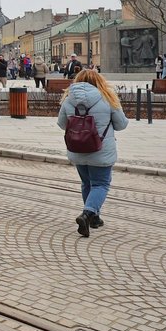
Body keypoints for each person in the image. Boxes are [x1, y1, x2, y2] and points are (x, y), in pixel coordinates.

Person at [56, 69, 129, 237]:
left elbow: (61, 124)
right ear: (99, 81)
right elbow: (121, 124)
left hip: (78, 148)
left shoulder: (69, 100)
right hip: (101, 149)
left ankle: (94, 219)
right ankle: (87, 214)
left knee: (87, 183)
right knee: (100, 184)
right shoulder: (107, 98)